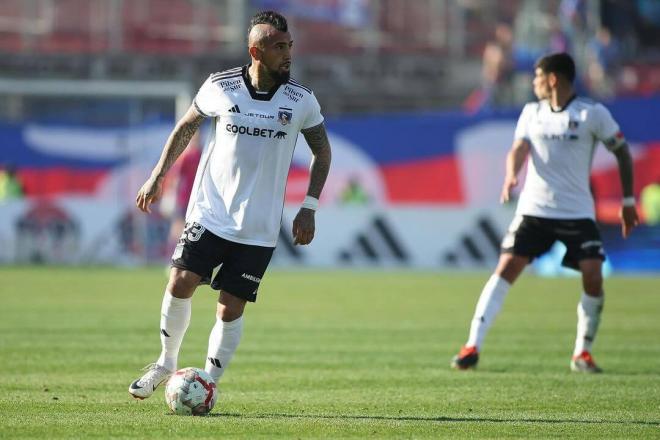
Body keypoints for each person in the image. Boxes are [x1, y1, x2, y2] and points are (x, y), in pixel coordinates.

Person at [129, 10, 332, 399]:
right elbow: (185, 127)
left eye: (289, 46)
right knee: (180, 280)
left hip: (259, 225)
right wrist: (157, 175)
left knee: (230, 307)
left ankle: (206, 383)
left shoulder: (301, 100)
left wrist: (309, 205)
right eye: (279, 47)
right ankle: (165, 363)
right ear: (256, 50)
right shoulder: (220, 86)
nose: (288, 54)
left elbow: (322, 153)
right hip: (211, 212)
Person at [451, 53, 638, 373]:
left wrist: (629, 201)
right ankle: (472, 345)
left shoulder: (592, 114)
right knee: (505, 267)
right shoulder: (531, 113)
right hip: (534, 209)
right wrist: (512, 175)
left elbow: (621, 151)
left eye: (538, 76)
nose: (533, 82)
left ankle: (583, 353)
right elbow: (519, 149)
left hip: (577, 212)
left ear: (553, 78)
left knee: (593, 277)